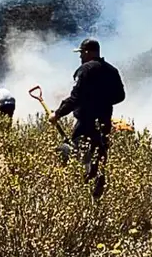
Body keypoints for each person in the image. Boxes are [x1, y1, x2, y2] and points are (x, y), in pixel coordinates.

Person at [48, 38, 126, 184]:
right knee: (99, 159)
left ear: (87, 52)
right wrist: (103, 100)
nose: (80, 57)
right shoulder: (112, 71)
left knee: (77, 154)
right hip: (104, 124)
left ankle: (77, 186)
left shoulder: (85, 70)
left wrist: (57, 114)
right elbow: (120, 96)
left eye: (81, 53)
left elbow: (75, 97)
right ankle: (96, 193)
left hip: (86, 124)